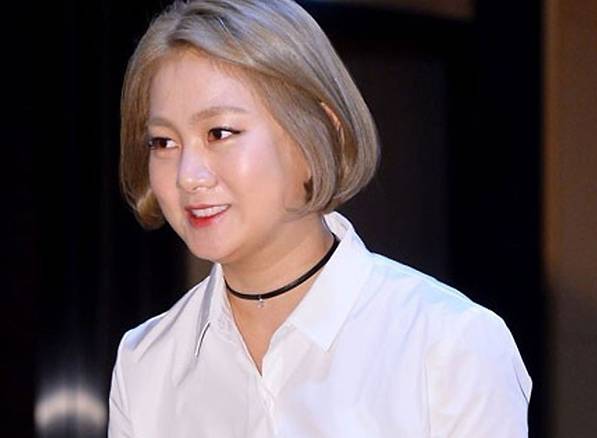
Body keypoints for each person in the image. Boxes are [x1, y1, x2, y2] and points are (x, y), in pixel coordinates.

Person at [109, 0, 532, 436]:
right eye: (163, 142)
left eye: (220, 133)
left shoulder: (448, 344)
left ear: (317, 135)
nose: (187, 176)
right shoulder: (146, 363)